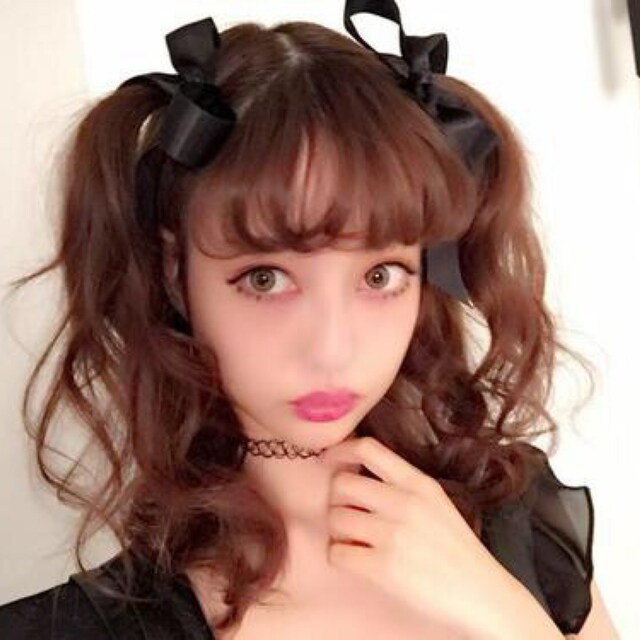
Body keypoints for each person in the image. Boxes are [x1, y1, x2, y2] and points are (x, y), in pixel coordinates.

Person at [0, 0, 620, 638]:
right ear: (174, 273)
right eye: (266, 279)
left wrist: (505, 613)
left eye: (380, 276)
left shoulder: (521, 523)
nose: (332, 348)